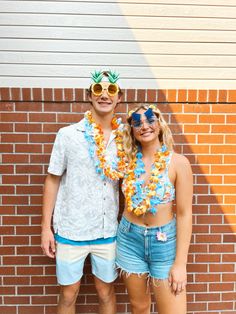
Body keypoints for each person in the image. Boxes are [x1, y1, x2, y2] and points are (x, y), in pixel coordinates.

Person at [41, 70, 126, 314]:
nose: (104, 95)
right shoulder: (68, 135)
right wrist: (45, 228)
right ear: (89, 95)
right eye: (98, 90)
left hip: (106, 230)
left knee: (105, 291)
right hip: (70, 229)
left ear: (119, 97)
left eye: (111, 90)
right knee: (69, 293)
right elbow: (52, 179)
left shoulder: (124, 138)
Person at [116, 104, 193, 314]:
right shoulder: (127, 162)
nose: (145, 126)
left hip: (164, 244)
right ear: (132, 129)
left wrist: (180, 264)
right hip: (129, 239)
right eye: (137, 123)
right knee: (139, 307)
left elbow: (185, 215)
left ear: (159, 125)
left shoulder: (178, 163)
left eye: (150, 120)